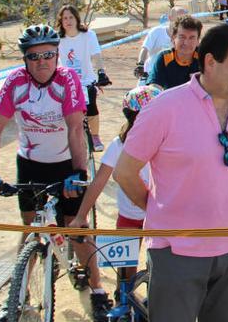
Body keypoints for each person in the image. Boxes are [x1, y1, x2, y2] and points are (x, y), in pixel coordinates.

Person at [113, 23, 228, 321]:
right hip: (176, 252)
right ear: (209, 62)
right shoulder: (164, 107)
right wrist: (159, 211)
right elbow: (125, 172)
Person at [0, 24, 112, 320]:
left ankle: (98, 289)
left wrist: (77, 172)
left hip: (66, 161)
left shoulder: (68, 79)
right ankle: (18, 293)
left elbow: (76, 128)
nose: (42, 62)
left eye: (48, 55)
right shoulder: (15, 82)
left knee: (76, 227)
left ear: (57, 55)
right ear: (25, 59)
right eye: (34, 57)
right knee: (29, 230)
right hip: (31, 163)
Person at [70, 84, 163, 304]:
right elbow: (98, 182)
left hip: (159, 217)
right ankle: (125, 300)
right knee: (125, 273)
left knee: (159, 267)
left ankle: (154, 301)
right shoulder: (119, 145)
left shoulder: (167, 141)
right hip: (130, 216)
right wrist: (81, 215)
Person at [56, 4, 111, 151]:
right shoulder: (57, 39)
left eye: (71, 17)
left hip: (86, 80)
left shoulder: (88, 35)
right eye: (65, 18)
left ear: (77, 18)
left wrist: (101, 72)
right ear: (61, 21)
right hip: (66, 81)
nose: (68, 21)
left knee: (91, 106)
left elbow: (96, 55)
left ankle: (95, 136)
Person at [147, 15, 202, 89]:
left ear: (198, 41)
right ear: (173, 38)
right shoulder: (164, 57)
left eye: (192, 38)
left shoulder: (204, 57)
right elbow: (154, 87)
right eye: (182, 37)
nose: (186, 42)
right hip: (170, 99)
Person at [135, 6, 187, 82]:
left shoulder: (186, 37)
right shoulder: (156, 31)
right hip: (150, 74)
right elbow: (145, 48)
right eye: (178, 19)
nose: (182, 23)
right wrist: (140, 65)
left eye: (184, 20)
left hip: (172, 77)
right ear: (170, 18)